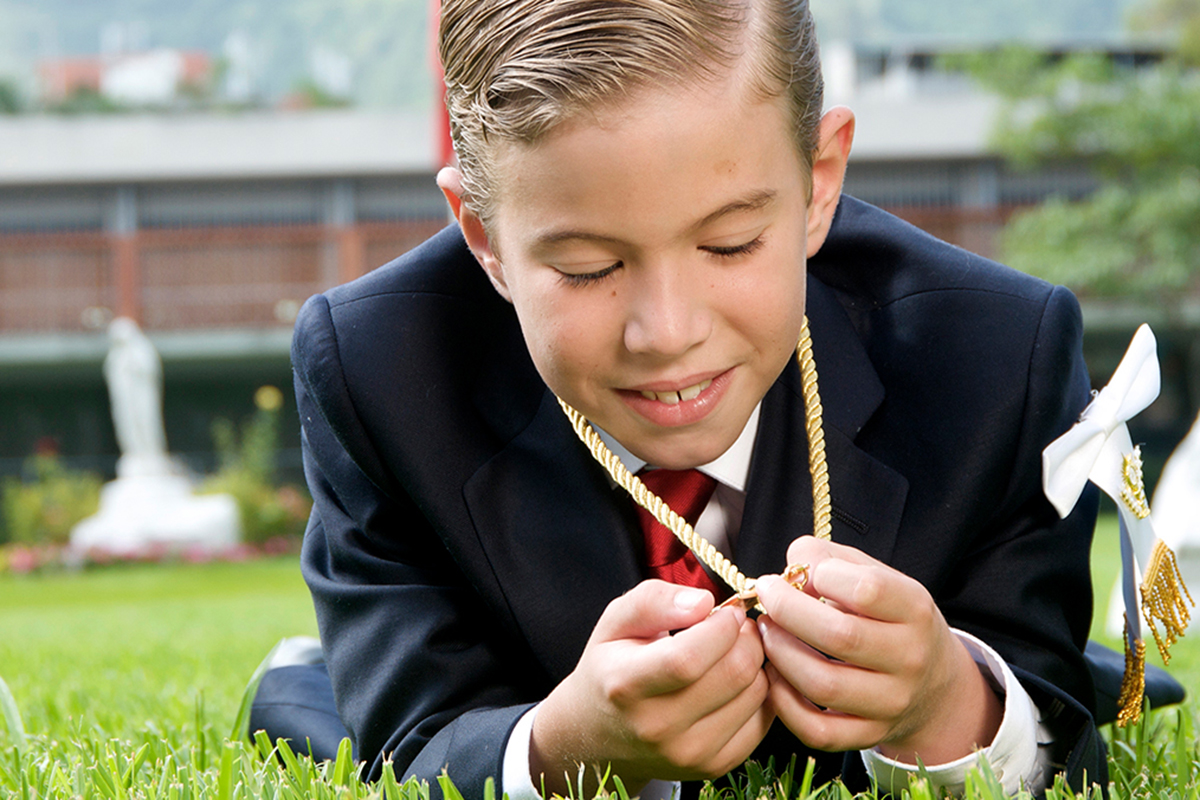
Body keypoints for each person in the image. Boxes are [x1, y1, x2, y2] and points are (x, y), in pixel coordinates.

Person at [274, 1, 1106, 797]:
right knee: (318, 715)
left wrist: (943, 701)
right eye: (588, 268)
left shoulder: (999, 356)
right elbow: (416, 746)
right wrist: (568, 746)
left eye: (731, 243)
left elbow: (1055, 723)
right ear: (485, 238)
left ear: (819, 182)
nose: (666, 332)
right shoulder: (379, 372)